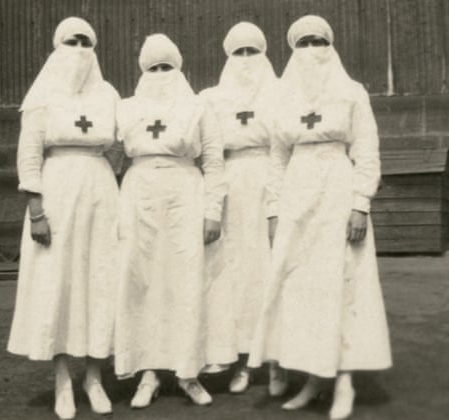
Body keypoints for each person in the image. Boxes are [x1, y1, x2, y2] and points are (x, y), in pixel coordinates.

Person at [247, 15, 392, 420]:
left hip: (337, 192)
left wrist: (360, 203)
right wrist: (274, 210)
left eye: (319, 41)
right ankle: (313, 377)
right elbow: (277, 158)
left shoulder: (352, 92)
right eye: (304, 43)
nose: (312, 50)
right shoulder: (282, 98)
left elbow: (367, 150)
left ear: (331, 46)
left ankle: (343, 380)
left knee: (342, 283)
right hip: (297, 194)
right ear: (293, 50)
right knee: (303, 288)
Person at [6, 17, 121, 420]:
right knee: (58, 281)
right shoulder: (43, 95)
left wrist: (110, 173)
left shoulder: (107, 93)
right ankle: (62, 381)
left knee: (99, 280)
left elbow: (119, 145)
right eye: (71, 42)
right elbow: (29, 155)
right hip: (56, 193)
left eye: (86, 42)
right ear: (58, 47)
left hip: (100, 194)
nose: (79, 50)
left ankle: (93, 378)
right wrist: (36, 211)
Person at [113, 33, 226, 408]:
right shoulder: (126, 108)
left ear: (178, 68)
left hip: (185, 192)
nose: (160, 74)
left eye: (167, 67)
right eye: (153, 68)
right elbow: (113, 158)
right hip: (139, 193)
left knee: (186, 280)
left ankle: (188, 371)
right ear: (142, 71)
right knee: (143, 280)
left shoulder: (198, 107)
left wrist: (212, 211)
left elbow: (213, 162)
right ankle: (148, 373)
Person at [198, 21, 279, 394]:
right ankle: (239, 359)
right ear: (228, 56)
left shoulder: (281, 93)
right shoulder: (211, 99)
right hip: (229, 186)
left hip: (268, 182)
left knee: (267, 269)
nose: (246, 59)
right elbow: (209, 154)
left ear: (264, 54)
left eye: (253, 51)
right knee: (232, 275)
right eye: (238, 52)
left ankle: (275, 360)